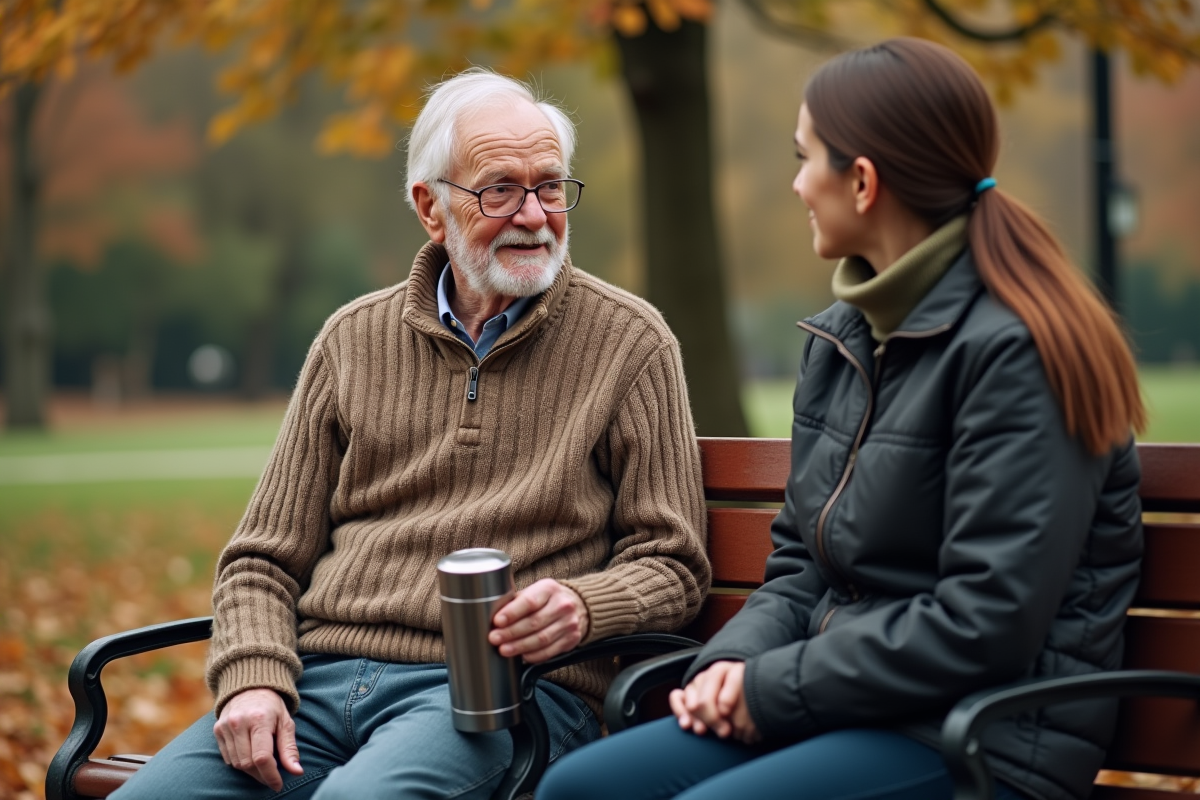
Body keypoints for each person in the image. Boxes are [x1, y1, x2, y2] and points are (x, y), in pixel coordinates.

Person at [537, 37, 1145, 800]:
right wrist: (732, 665)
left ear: (861, 182)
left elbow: (985, 622)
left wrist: (774, 688)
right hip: (845, 706)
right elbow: (802, 563)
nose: (795, 186)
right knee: (583, 787)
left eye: (805, 158)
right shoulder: (843, 340)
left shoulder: (1021, 353)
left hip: (982, 736)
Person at [112, 69, 710, 800]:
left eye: (550, 187)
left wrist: (586, 606)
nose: (533, 214)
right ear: (431, 207)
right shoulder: (351, 338)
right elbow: (259, 561)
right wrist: (252, 682)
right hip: (316, 684)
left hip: (500, 697)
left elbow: (674, 564)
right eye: (499, 190)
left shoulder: (630, 342)